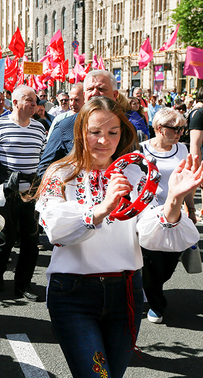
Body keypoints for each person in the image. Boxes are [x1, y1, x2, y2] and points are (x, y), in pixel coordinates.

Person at [35, 96, 201, 378]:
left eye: (113, 133)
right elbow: (55, 229)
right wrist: (102, 207)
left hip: (125, 292)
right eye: (95, 132)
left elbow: (151, 233)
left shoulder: (134, 173)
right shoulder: (60, 173)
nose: (104, 141)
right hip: (73, 294)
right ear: (80, 132)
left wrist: (173, 200)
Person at [0, 85, 46, 300]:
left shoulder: (40, 128)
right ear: (14, 102)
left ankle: (23, 285)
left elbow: (44, 160)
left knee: (30, 239)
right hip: (4, 189)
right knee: (4, 238)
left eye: (35, 100)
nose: (34, 104)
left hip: (31, 192)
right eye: (29, 99)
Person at [140, 108, 195, 324]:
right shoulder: (141, 149)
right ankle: (157, 304)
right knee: (152, 260)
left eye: (183, 128)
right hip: (147, 214)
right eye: (177, 129)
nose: (181, 133)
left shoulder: (183, 149)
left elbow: (188, 183)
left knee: (170, 261)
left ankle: (151, 287)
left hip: (176, 215)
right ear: (160, 129)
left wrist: (190, 208)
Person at [37, 70, 119, 178]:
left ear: (115, 95)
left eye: (101, 89)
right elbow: (44, 169)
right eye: (90, 89)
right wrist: (73, 186)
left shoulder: (126, 126)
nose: (94, 93)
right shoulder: (65, 126)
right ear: (85, 95)